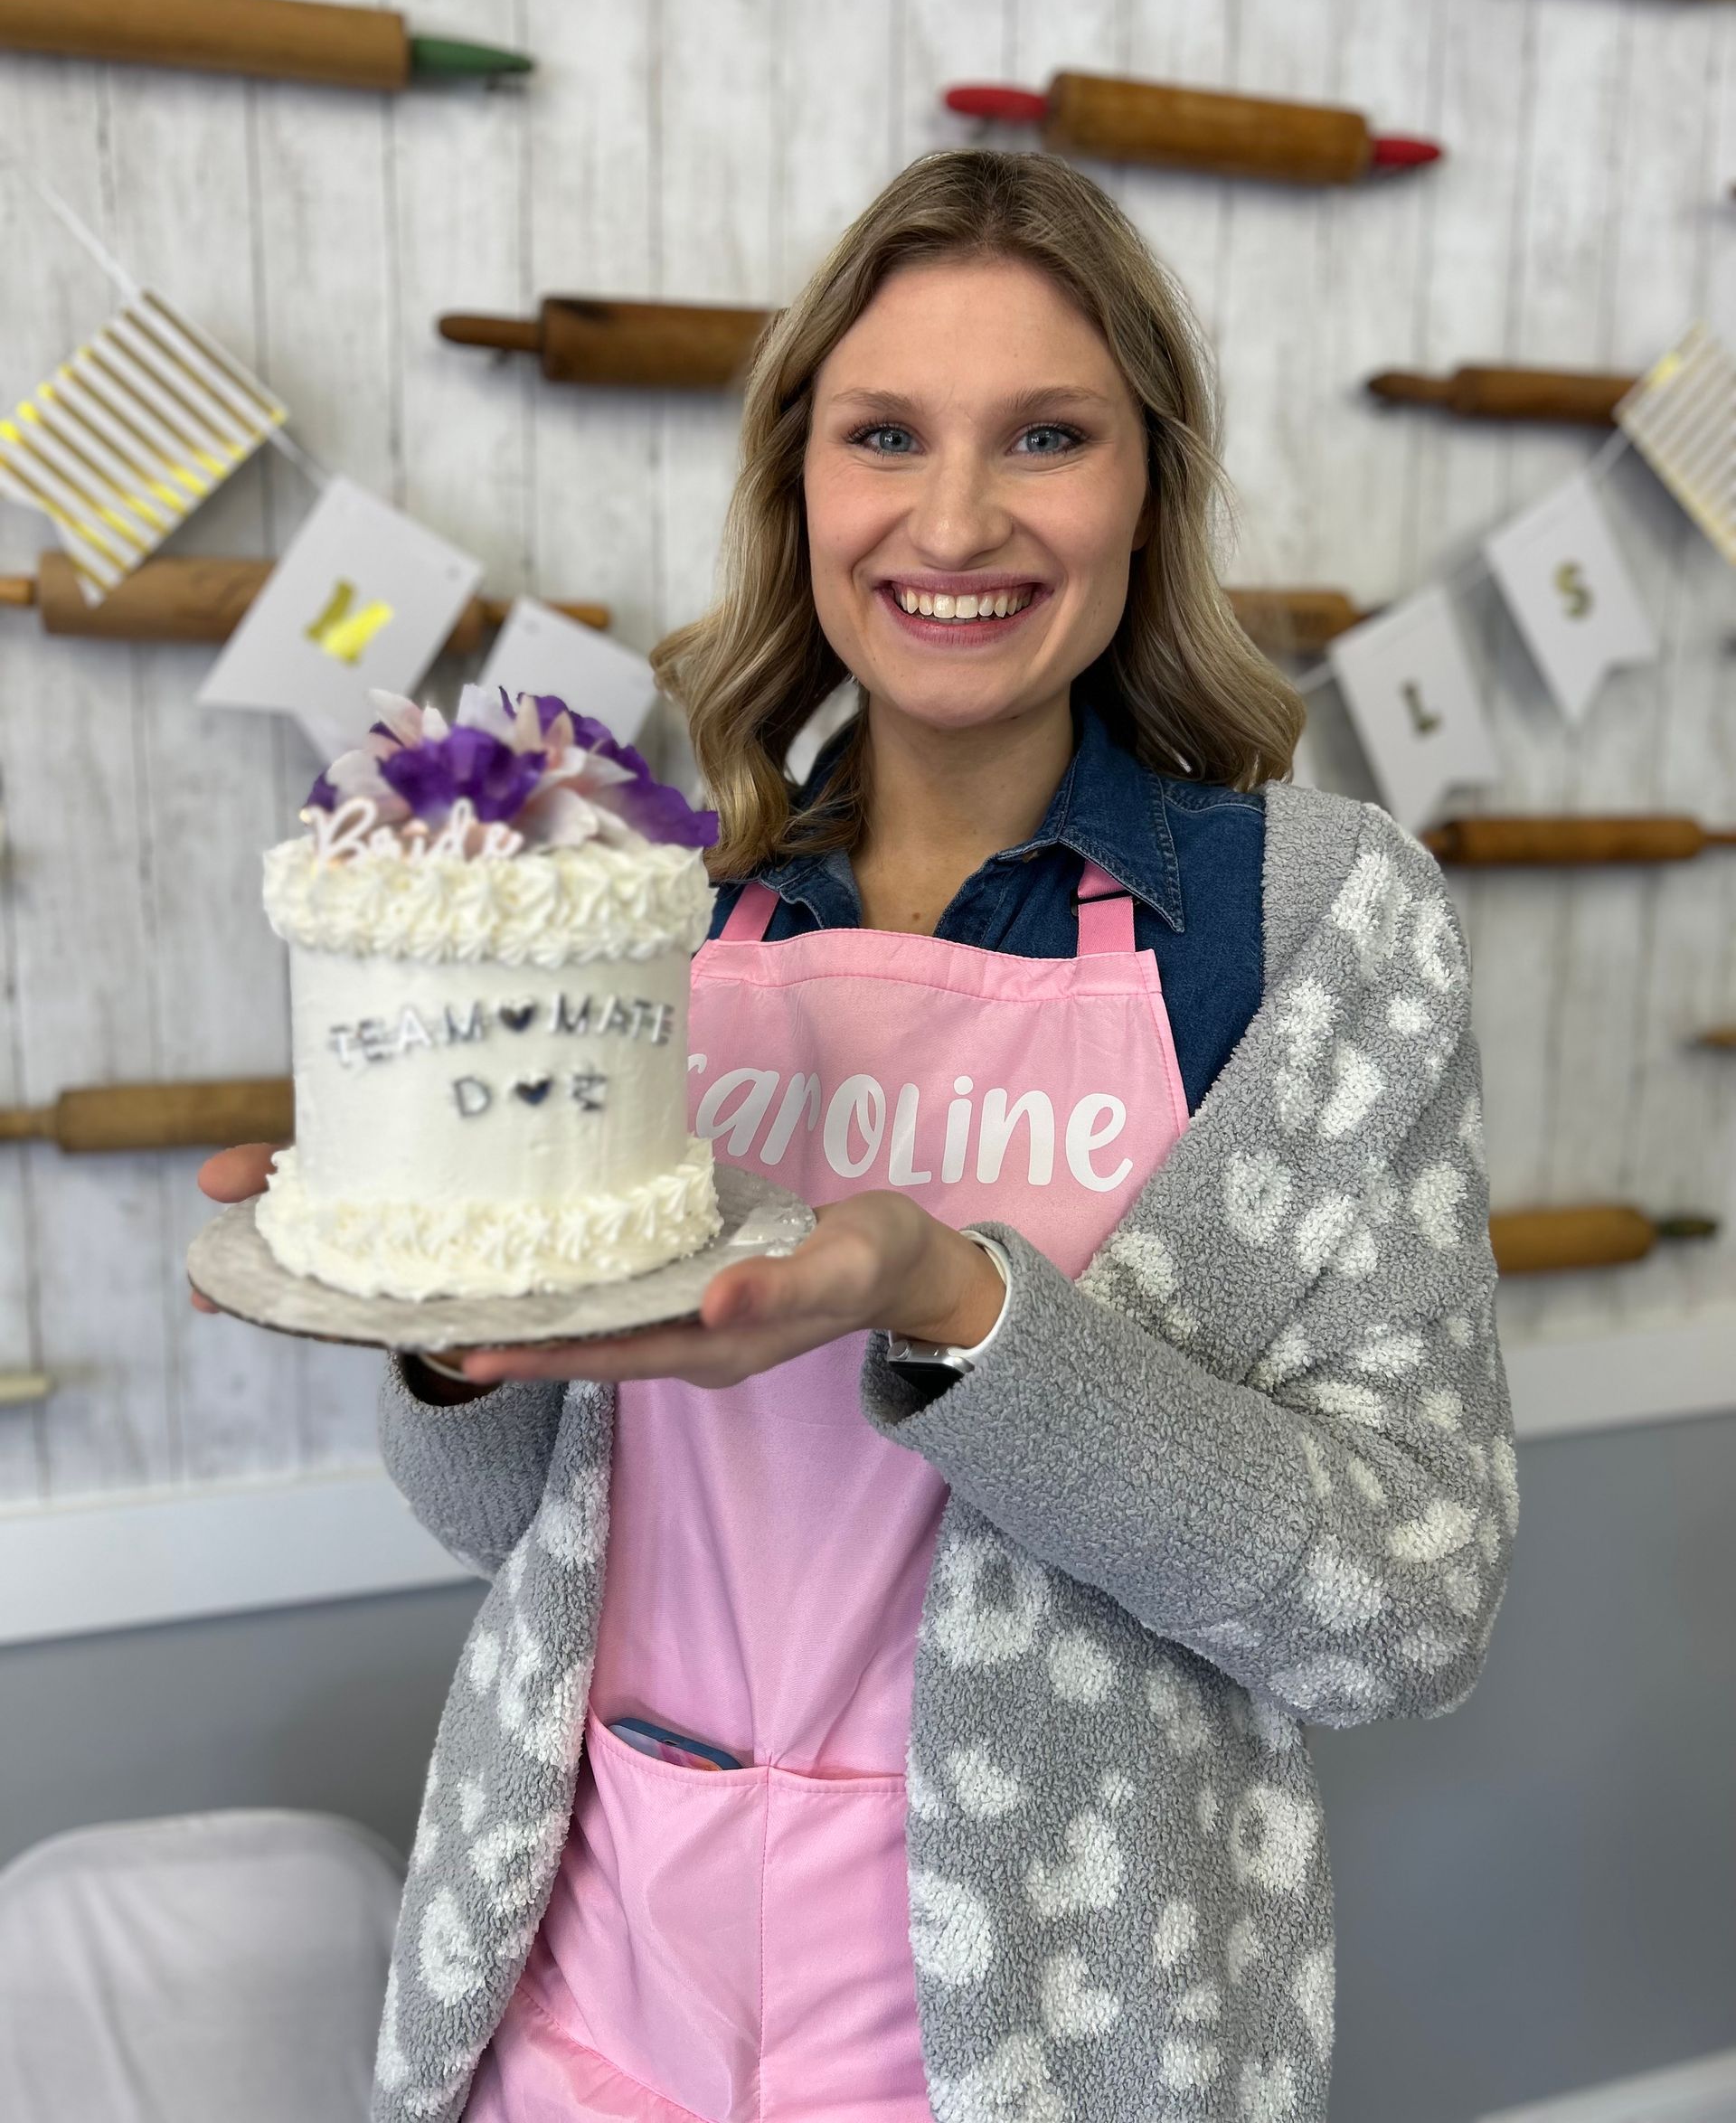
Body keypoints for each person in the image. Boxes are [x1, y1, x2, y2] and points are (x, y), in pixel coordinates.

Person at [198, 149, 1514, 2123]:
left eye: (1046, 436)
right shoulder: (659, 901)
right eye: (884, 432)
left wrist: (954, 1296)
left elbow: (1407, 1604)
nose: (956, 516)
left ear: (1146, 483)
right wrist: (438, 1290)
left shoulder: (1301, 923)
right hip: (584, 1978)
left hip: (1026, 2038)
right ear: (799, 484)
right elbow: (497, 1515)